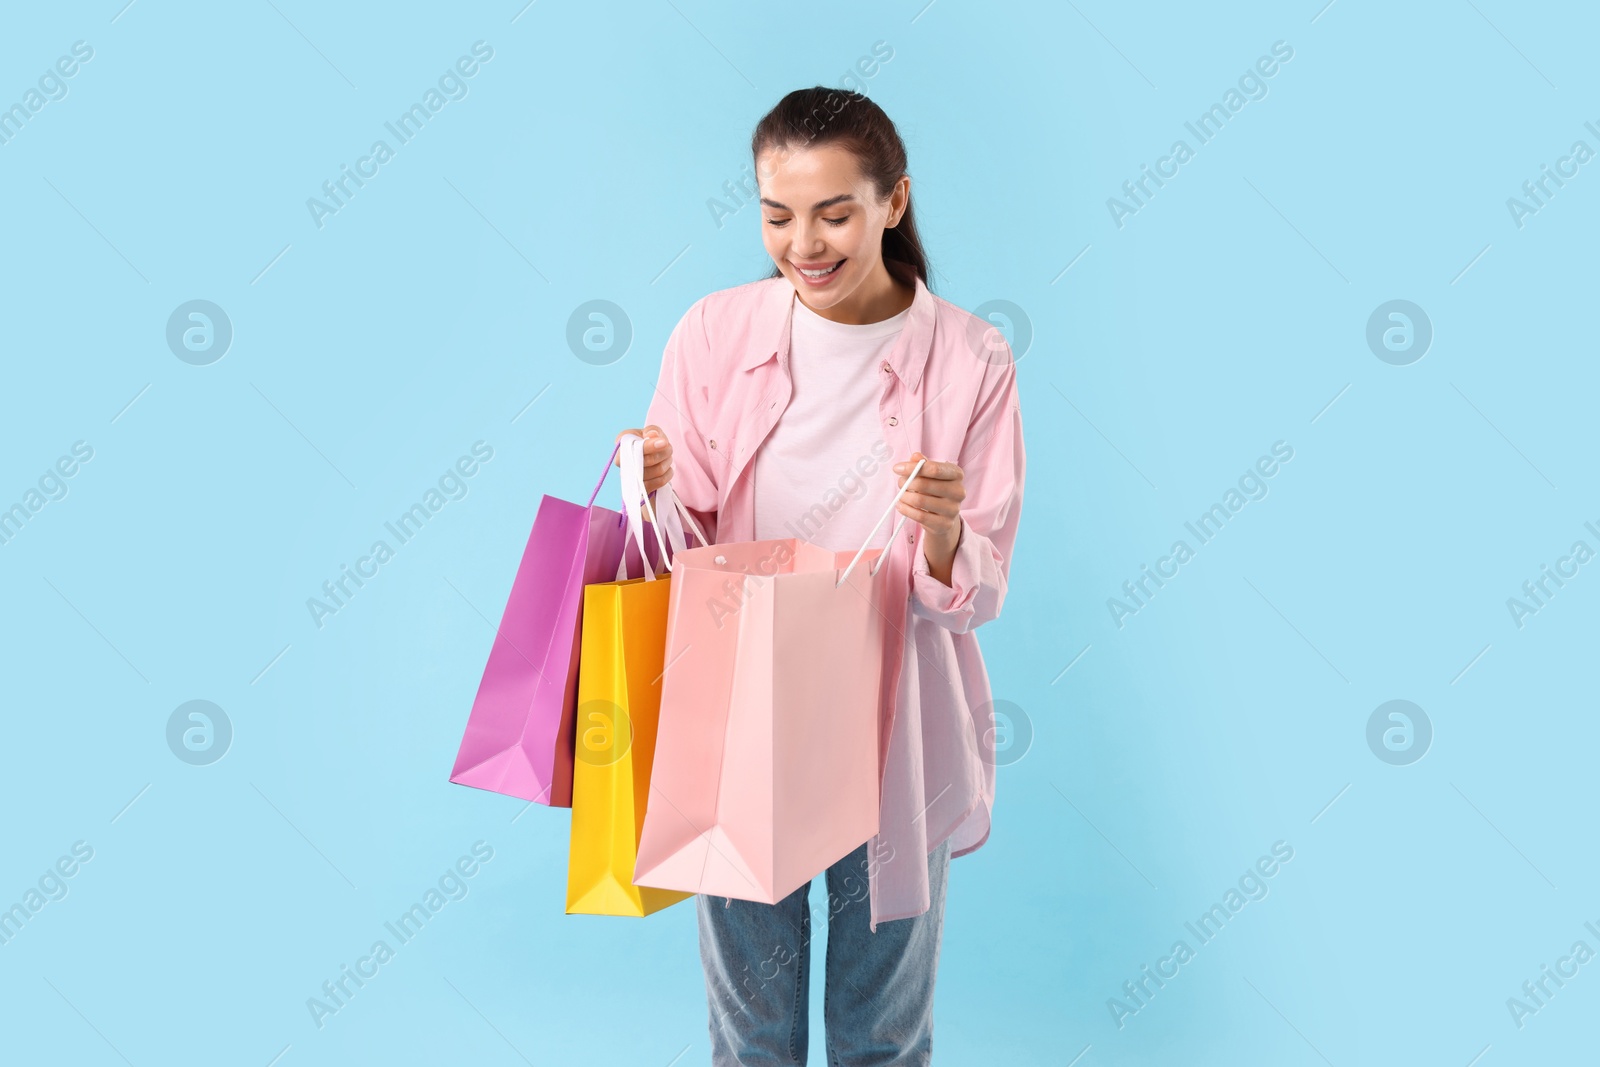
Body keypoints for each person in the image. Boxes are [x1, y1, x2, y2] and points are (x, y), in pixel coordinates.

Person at [616, 86, 1025, 1066]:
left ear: (893, 202)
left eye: (834, 211)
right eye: (777, 214)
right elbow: (683, 548)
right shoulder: (713, 332)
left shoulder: (970, 356)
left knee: (879, 1032)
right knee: (750, 1035)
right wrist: (656, 483)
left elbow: (980, 583)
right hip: (741, 714)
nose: (804, 242)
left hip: (896, 728)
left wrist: (938, 534)